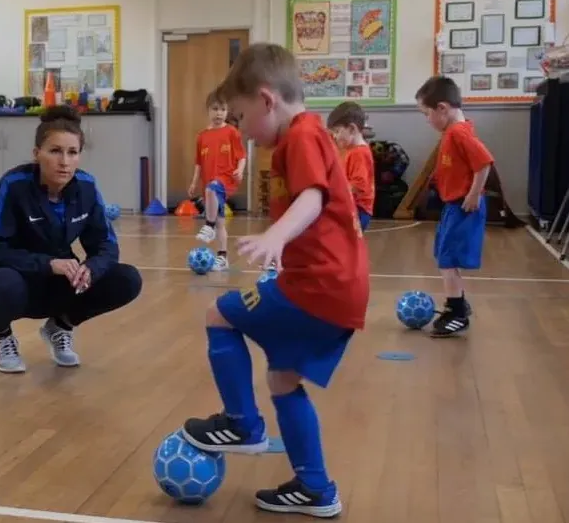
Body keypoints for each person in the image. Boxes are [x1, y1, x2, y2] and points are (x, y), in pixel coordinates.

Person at [181, 43, 369, 518]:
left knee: (218, 315)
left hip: (319, 288)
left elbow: (311, 198)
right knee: (283, 377)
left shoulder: (302, 135)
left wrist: (276, 235)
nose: (241, 132)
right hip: (335, 288)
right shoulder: (303, 135)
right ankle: (315, 489)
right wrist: (284, 251)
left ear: (267, 100)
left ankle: (243, 426)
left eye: (241, 119)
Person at [0, 106, 143, 374]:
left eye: (72, 152)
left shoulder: (87, 187)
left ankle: (60, 326)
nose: (64, 161)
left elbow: (106, 245)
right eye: (55, 151)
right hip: (17, 281)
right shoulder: (13, 185)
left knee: (127, 279)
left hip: (60, 286)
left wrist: (92, 268)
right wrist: (48, 264)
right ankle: (2, 335)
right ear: (36, 154)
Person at [415, 76, 493, 337]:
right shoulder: (453, 132)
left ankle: (457, 312)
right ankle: (457, 302)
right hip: (453, 206)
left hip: (463, 206)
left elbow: (484, 163)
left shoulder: (459, 132)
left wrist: (473, 194)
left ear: (442, 108)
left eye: (426, 114)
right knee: (443, 255)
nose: (426, 120)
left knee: (447, 259)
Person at [188, 87, 247, 271]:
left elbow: (242, 155)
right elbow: (198, 162)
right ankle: (222, 257)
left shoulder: (232, 133)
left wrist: (240, 169)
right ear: (208, 111)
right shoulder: (202, 137)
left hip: (226, 179)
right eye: (215, 109)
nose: (219, 113)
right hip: (209, 184)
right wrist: (194, 181)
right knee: (221, 221)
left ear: (227, 111)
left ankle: (208, 225)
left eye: (222, 109)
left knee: (213, 188)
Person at [327, 101, 375, 231]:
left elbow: (359, 185)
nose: (335, 137)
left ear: (352, 129)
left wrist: (334, 192)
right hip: (352, 207)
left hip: (358, 210)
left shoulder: (359, 153)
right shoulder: (349, 149)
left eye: (337, 131)